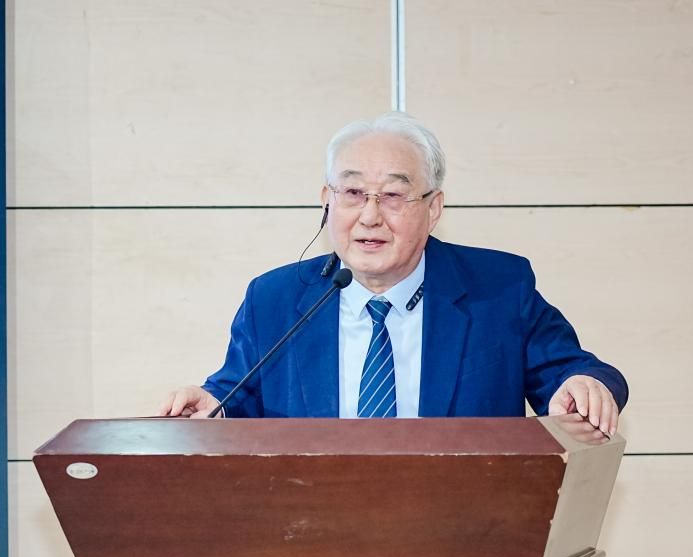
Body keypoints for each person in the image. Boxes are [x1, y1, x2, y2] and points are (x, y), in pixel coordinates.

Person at [160, 112, 627, 436]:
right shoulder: (275, 299)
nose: (369, 216)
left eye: (392, 196)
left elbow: (571, 372)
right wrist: (213, 409)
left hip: (462, 534)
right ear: (327, 201)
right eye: (352, 193)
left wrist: (584, 385)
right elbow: (236, 394)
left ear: (433, 208)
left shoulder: (498, 288)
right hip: (312, 531)